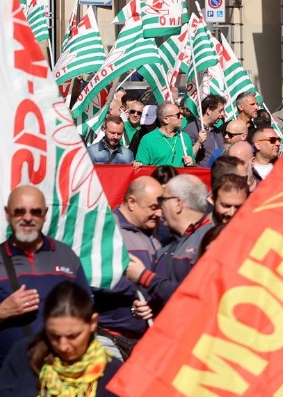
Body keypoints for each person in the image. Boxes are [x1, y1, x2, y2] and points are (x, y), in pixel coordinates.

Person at [0, 186, 93, 397]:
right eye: (19, 211)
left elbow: (88, 317)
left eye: (35, 211)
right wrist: (1, 312)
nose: (27, 217)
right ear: (7, 214)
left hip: (60, 385)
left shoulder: (66, 257)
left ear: (45, 215)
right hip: (0, 386)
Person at [0, 282, 135, 397]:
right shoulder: (24, 354)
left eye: (73, 336)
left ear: (93, 323)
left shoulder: (112, 372)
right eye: (54, 336)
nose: (63, 346)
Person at [92, 177, 162, 361]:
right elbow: (94, 279)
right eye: (153, 207)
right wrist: (138, 292)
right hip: (109, 339)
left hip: (144, 342)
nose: (159, 214)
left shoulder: (154, 237)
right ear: (132, 202)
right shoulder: (107, 231)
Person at [124, 174, 213, 315]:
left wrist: (144, 277)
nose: (159, 211)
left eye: (163, 200)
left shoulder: (211, 239)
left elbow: (195, 296)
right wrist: (148, 306)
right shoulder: (167, 248)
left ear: (178, 204)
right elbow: (164, 295)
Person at [184, 94, 228, 164]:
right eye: (220, 111)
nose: (223, 114)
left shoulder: (217, 131)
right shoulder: (190, 130)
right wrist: (198, 142)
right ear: (209, 111)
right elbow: (187, 157)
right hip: (201, 173)